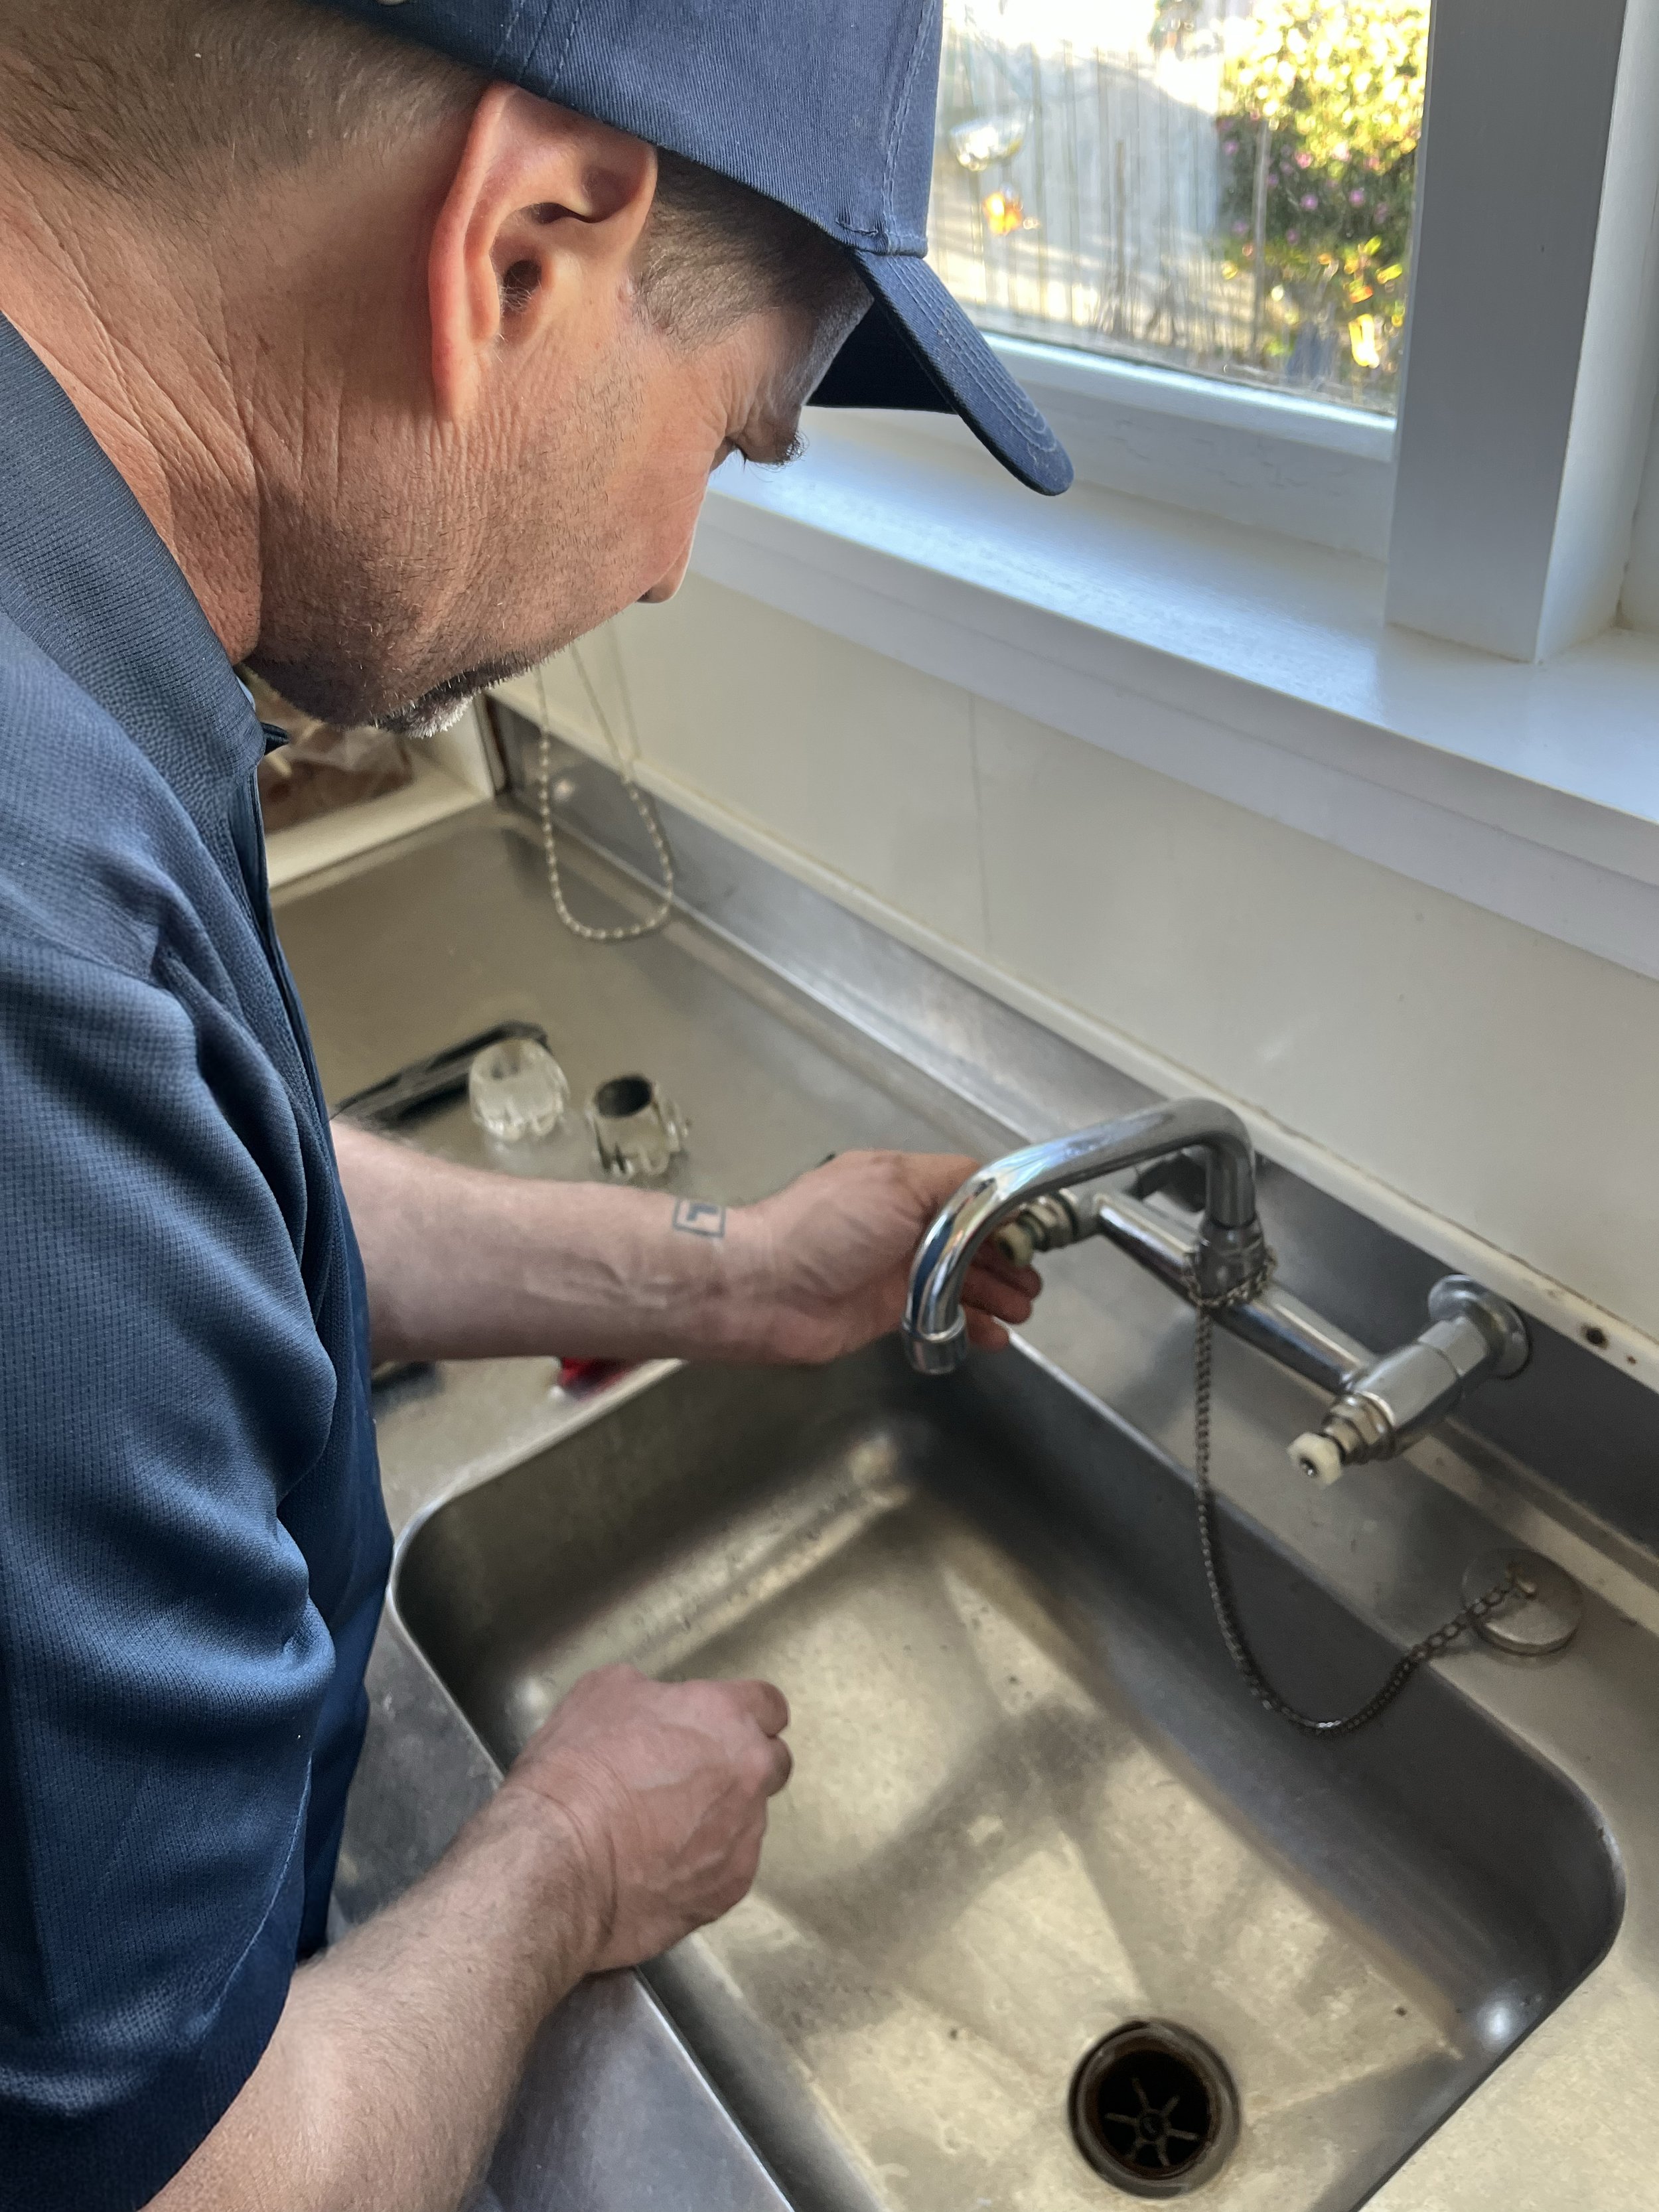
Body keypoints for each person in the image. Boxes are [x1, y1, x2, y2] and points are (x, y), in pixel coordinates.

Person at [0, 3, 1070, 2207]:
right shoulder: (32, 936)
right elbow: (190, 2188)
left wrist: (745, 1279)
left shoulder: (69, 654)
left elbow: (226, 1198)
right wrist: (569, 1859)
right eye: (739, 433)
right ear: (525, 246)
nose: (679, 552)